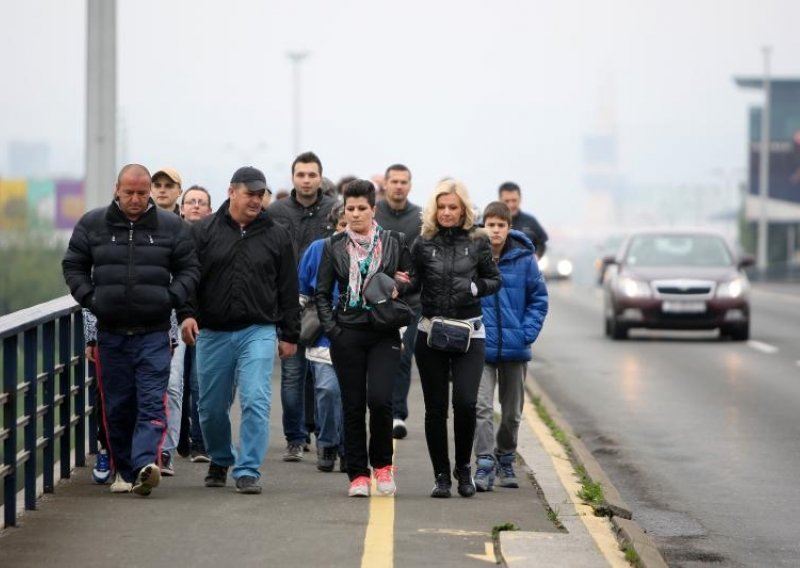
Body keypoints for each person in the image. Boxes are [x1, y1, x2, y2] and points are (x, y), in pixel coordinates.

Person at [62, 163, 199, 496]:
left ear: (149, 190)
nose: (136, 199)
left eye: (142, 192)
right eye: (129, 193)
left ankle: (142, 467)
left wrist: (172, 297)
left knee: (153, 401)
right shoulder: (93, 224)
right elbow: (74, 264)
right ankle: (125, 469)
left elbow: (189, 268)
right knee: (118, 406)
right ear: (117, 190)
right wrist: (91, 298)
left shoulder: (171, 227)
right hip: (111, 332)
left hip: (154, 333)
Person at [180, 166, 299, 495]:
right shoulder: (203, 232)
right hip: (213, 332)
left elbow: (288, 288)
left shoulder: (277, 234)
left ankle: (247, 469)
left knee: (255, 399)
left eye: (261, 195)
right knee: (211, 406)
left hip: (257, 330)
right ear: (232, 191)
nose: (257, 200)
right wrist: (187, 314)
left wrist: (290, 334)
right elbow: (189, 279)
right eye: (251, 193)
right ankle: (220, 457)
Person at [315, 180, 412, 497]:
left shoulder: (394, 241)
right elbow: (321, 293)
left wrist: (400, 286)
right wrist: (333, 331)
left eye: (361, 208)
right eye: (350, 209)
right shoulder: (334, 245)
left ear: (373, 209)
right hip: (348, 332)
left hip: (384, 331)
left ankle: (383, 467)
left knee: (380, 400)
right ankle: (357, 474)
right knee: (353, 404)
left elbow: (412, 279)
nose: (355, 214)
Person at [410, 179, 502, 498]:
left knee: (465, 402)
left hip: (470, 334)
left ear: (463, 209)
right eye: (442, 207)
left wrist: (477, 287)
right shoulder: (423, 242)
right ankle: (441, 477)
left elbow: (494, 279)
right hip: (431, 332)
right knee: (435, 409)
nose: (447, 212)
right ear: (433, 209)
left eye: (453, 207)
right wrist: (393, 284)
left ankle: (463, 469)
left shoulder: (478, 241)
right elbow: (413, 282)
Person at [473, 201, 548, 492]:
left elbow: (539, 300)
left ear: (508, 228)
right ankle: (484, 463)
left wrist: (526, 333)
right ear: (483, 226)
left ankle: (505, 456)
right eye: (490, 225)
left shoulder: (525, 259)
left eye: (500, 225)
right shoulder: (475, 257)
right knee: (481, 407)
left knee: (513, 411)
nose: (495, 230)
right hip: (481, 347)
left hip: (516, 349)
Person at [267, 151, 337, 462]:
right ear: (293, 178)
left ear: (320, 177)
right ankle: (295, 438)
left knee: (324, 378)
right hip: (288, 303)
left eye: (312, 175)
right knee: (293, 374)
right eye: (301, 175)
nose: (306, 180)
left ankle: (327, 437)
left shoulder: (334, 210)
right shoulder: (277, 212)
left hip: (325, 304)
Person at [373, 163, 422, 440]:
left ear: (410, 185)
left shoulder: (420, 218)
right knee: (378, 358)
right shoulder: (374, 214)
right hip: (376, 300)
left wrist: (408, 283)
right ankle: (380, 409)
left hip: (411, 302)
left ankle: (397, 414)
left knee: (403, 357)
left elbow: (421, 261)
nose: (399, 186)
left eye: (404, 181)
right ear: (387, 184)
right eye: (395, 181)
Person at [297, 204, 347, 472]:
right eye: (342, 224)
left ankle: (349, 447)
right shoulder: (318, 249)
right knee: (327, 390)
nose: (347, 229)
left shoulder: (373, 249)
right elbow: (302, 288)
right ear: (335, 225)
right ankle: (327, 442)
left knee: (352, 394)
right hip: (324, 335)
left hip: (359, 333)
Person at [178, 186, 214, 463]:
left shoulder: (215, 239)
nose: (196, 206)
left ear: (209, 210)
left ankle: (200, 442)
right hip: (172, 318)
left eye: (201, 202)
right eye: (191, 202)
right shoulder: (171, 236)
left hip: (206, 320)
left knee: (199, 382)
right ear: (182, 208)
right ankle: (179, 439)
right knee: (176, 382)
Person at [497, 181, 549, 258]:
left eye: (514, 200)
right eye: (507, 201)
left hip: (526, 267)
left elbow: (542, 243)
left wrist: (536, 257)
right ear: (500, 201)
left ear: (520, 199)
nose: (511, 205)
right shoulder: (492, 223)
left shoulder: (530, 222)